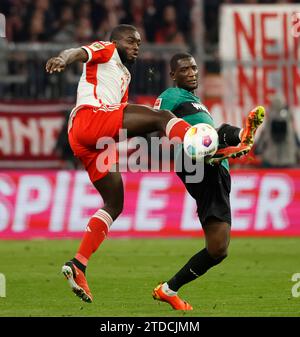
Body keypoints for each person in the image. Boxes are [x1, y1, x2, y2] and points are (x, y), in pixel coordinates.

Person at [45, 25, 255, 304]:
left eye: (140, 42)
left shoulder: (125, 76)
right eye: (131, 41)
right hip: (89, 119)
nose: (136, 46)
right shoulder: (106, 50)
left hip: (89, 141)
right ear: (116, 41)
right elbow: (78, 52)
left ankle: (78, 264)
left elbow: (126, 122)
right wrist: (63, 58)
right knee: (161, 117)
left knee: (115, 202)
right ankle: (197, 140)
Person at [152, 52, 265, 310]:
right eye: (184, 69)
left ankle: (168, 289)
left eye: (193, 68)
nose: (191, 72)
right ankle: (238, 138)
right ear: (173, 75)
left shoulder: (197, 102)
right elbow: (157, 120)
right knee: (219, 133)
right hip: (193, 159)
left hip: (216, 172)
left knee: (218, 249)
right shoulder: (171, 95)